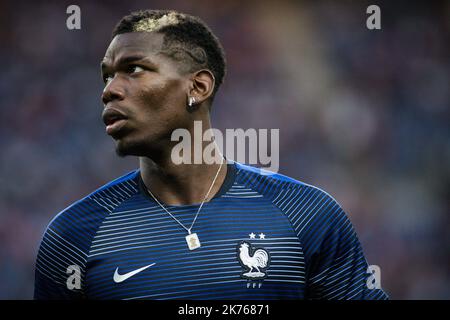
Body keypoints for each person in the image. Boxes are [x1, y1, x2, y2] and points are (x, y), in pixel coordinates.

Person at [34, 9, 388, 300]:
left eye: (133, 69)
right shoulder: (73, 236)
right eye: (106, 76)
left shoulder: (306, 214)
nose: (109, 90)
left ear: (198, 87)